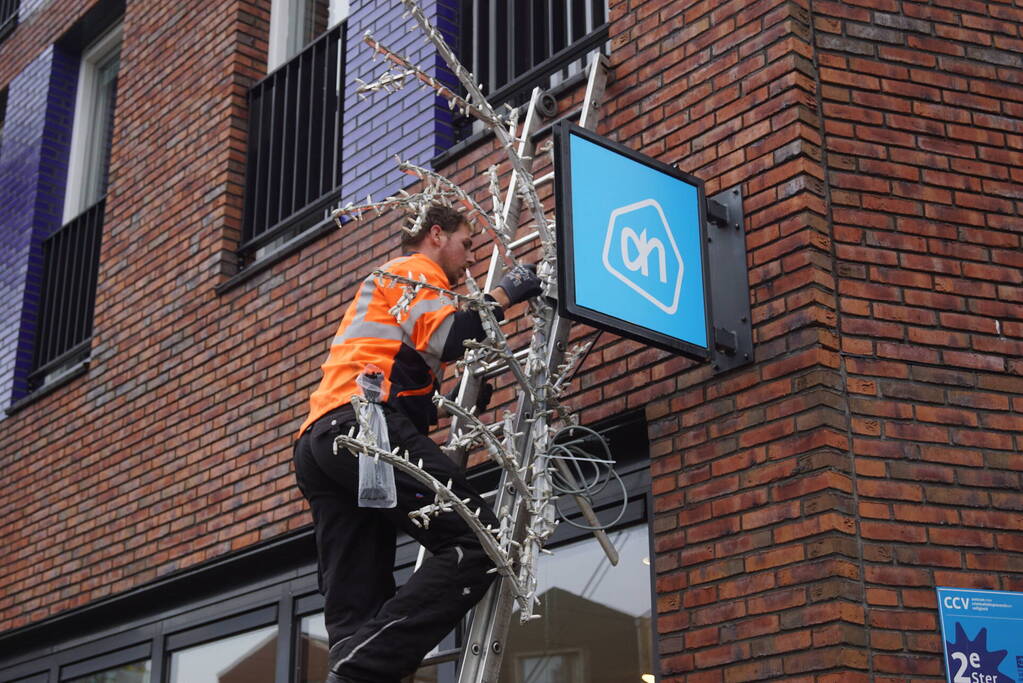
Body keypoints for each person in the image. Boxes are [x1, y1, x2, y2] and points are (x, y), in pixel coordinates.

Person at [293, 204, 542, 683]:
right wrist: (506, 292)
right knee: (480, 541)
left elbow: (401, 381)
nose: (470, 259)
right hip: (361, 428)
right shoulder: (416, 272)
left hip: (322, 441)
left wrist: (447, 401)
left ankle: (353, 670)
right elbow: (454, 337)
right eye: (467, 244)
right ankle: (363, 667)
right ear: (435, 234)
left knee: (357, 602)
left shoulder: (392, 297)